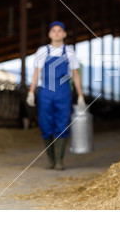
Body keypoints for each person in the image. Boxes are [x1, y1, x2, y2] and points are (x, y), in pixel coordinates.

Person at [26, 20, 85, 170]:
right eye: (54, 30)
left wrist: (80, 95)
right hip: (45, 91)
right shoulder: (42, 51)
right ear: (49, 34)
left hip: (63, 92)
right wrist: (31, 92)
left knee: (63, 124)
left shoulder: (70, 52)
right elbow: (36, 72)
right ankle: (50, 160)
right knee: (45, 125)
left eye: (60, 30)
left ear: (64, 34)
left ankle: (59, 161)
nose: (57, 33)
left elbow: (75, 74)